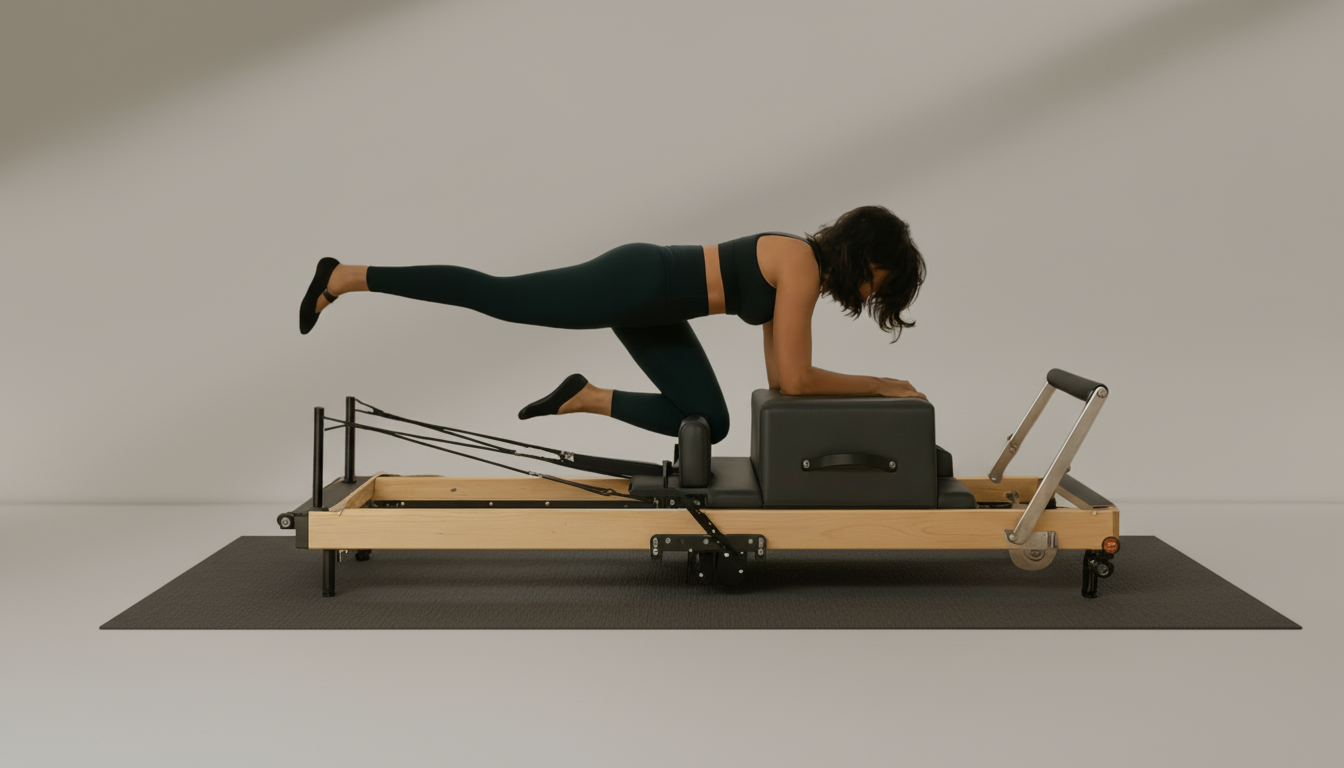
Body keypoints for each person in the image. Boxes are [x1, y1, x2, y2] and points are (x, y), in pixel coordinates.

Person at [298, 205, 927, 445]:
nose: (871, 294)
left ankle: (586, 397)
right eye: (879, 281)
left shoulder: (804, 274)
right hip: (637, 282)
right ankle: (347, 275)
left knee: (710, 423)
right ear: (865, 258)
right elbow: (795, 379)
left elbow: (780, 378)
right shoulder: (798, 261)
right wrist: (880, 384)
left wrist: (872, 385)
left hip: (657, 308)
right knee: (495, 296)